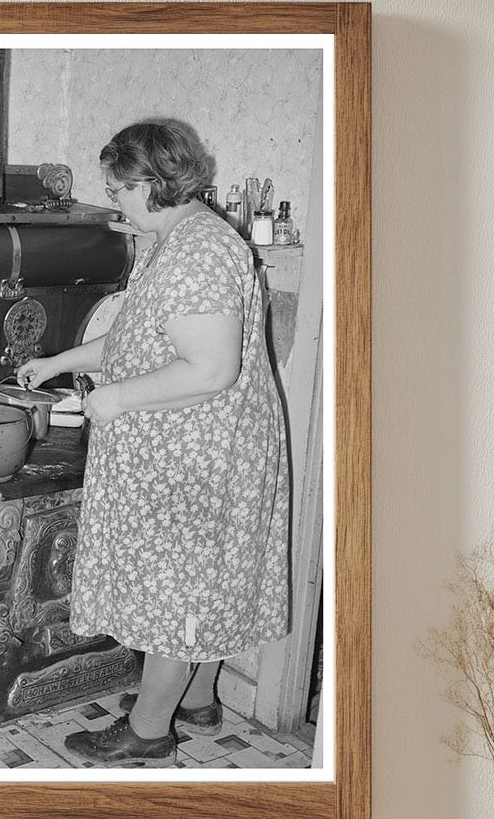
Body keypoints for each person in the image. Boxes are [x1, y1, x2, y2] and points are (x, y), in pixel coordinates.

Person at [16, 121, 290, 767]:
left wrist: (113, 399)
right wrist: (59, 362)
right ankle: (195, 698)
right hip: (179, 446)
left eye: (119, 188)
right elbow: (136, 339)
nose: (115, 201)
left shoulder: (201, 252)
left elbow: (209, 370)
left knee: (179, 590)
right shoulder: (171, 240)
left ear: (153, 182)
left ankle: (147, 729)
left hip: (199, 454)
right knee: (196, 582)